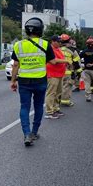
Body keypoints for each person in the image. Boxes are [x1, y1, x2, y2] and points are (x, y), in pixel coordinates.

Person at [10, 18, 68, 146]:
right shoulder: (45, 44)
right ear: (40, 30)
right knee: (38, 106)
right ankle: (34, 132)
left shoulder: (18, 45)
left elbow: (15, 65)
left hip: (24, 81)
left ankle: (26, 133)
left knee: (24, 107)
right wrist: (65, 61)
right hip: (40, 81)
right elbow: (53, 61)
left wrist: (13, 81)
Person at [45, 35, 67, 119]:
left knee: (58, 93)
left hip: (59, 74)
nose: (60, 43)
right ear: (53, 41)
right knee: (51, 93)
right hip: (52, 74)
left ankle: (55, 109)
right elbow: (54, 61)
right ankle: (49, 111)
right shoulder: (50, 49)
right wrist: (66, 61)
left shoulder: (58, 49)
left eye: (60, 42)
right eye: (58, 41)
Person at [59, 34, 81, 106]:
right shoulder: (72, 50)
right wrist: (78, 72)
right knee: (67, 86)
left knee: (59, 87)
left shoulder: (56, 49)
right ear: (69, 40)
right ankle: (65, 101)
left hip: (57, 72)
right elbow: (76, 62)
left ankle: (57, 101)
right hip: (68, 72)